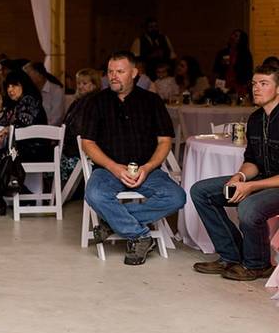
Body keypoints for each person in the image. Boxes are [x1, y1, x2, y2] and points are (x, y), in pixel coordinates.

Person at [81, 51, 186, 266]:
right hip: (108, 171)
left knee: (177, 197)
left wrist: (147, 168)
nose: (114, 76)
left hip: (147, 170)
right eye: (110, 72)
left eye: (120, 71)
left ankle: (112, 222)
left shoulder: (151, 101)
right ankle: (139, 235)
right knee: (94, 193)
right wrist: (114, 167)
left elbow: (164, 141)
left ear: (134, 73)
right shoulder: (96, 102)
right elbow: (88, 143)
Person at [191, 65, 279, 281]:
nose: (256, 89)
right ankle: (231, 256)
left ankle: (258, 265)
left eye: (263, 84)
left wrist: (251, 187)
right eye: (254, 84)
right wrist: (239, 177)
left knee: (249, 206)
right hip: (261, 180)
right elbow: (252, 161)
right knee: (201, 191)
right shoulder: (255, 119)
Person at [0, 70, 49, 216]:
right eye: (8, 87)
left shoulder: (29, 99)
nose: (10, 90)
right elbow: (6, 121)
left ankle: (7, 199)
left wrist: (6, 130)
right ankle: (19, 196)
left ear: (23, 85)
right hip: (25, 149)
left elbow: (24, 122)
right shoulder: (18, 103)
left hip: (35, 150)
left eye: (14, 86)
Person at [60, 68, 101, 190]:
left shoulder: (92, 101)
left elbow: (79, 128)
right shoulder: (79, 101)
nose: (80, 87)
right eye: (78, 83)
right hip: (74, 146)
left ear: (94, 85)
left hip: (80, 149)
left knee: (53, 159)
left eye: (84, 83)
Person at [212, 29, 253, 96]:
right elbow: (216, 69)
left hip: (239, 84)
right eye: (232, 34)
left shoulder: (245, 54)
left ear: (241, 40)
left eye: (236, 36)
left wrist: (248, 86)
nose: (232, 37)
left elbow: (248, 71)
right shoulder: (222, 53)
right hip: (223, 83)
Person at [24, 61, 65, 126]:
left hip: (50, 131)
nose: (26, 79)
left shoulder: (56, 90)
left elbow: (57, 118)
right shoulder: (28, 91)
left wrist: (42, 130)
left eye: (28, 74)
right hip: (32, 130)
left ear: (39, 74)